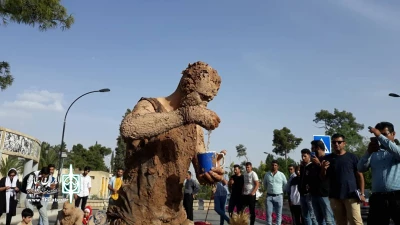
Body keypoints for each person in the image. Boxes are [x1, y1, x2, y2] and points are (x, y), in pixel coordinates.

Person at [106, 61, 225, 225]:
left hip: (175, 217)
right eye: (202, 97)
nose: (204, 105)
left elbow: (201, 169)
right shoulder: (150, 106)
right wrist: (184, 116)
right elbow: (129, 127)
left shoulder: (195, 126)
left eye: (208, 100)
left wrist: (210, 174)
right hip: (137, 216)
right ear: (186, 85)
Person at [357, 122, 400, 225]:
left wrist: (379, 136)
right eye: (378, 135)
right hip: (378, 198)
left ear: (393, 134)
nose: (380, 138)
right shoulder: (374, 153)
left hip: (397, 197)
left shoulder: (397, 150)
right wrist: (368, 152)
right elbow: (360, 168)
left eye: (384, 134)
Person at [321, 134, 364, 225]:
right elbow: (323, 178)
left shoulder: (352, 157)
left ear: (344, 143)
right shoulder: (327, 159)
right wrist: (323, 169)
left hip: (351, 195)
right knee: (340, 222)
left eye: (339, 142)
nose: (336, 144)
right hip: (335, 196)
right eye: (334, 142)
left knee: (356, 222)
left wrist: (362, 193)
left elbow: (360, 176)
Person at [310, 140, 335, 225]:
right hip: (314, 194)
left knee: (329, 220)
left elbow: (327, 175)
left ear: (318, 148)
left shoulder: (328, 159)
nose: (311, 151)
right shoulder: (313, 162)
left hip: (324, 194)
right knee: (319, 220)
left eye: (313, 148)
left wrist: (319, 164)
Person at [263, 160, 287, 225]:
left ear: (278, 166)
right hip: (269, 197)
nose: (274, 166)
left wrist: (281, 191)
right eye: (272, 165)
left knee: (279, 214)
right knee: (268, 213)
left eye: (275, 165)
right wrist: (268, 190)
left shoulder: (281, 175)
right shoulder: (267, 174)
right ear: (271, 166)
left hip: (279, 196)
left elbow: (285, 184)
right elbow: (264, 184)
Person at [299, 149, 318, 225]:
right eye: (302, 156)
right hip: (302, 194)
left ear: (309, 156)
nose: (303, 158)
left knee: (313, 216)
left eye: (305, 156)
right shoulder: (302, 167)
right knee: (305, 216)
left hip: (309, 195)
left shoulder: (312, 166)